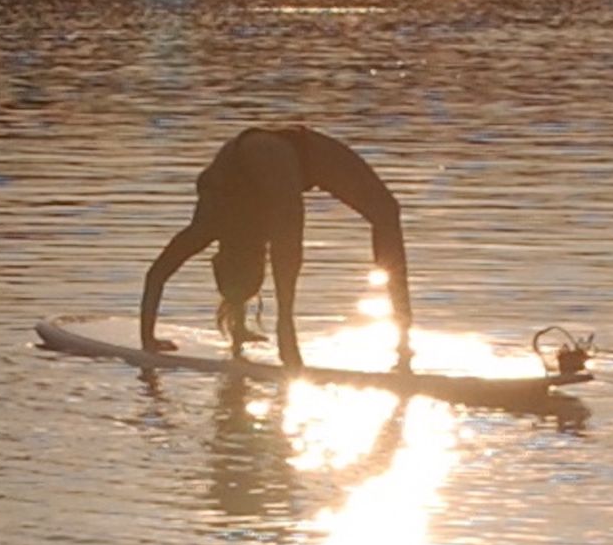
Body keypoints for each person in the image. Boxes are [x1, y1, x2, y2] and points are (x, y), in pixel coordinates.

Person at [140, 125, 413, 371]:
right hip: (287, 152)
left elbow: (157, 274)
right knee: (386, 213)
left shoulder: (213, 222)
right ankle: (403, 336)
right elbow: (157, 274)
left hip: (283, 153)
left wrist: (148, 340)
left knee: (294, 241)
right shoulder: (221, 227)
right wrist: (148, 338)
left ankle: (286, 328)